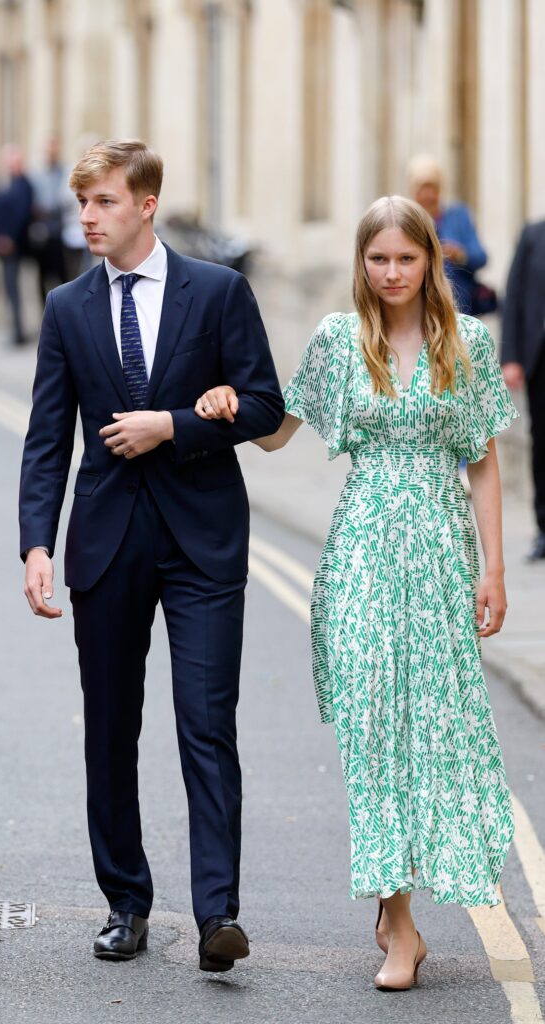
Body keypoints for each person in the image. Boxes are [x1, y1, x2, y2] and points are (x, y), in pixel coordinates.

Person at [195, 196, 518, 991]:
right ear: (360, 264)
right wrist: (229, 403)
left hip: (441, 558)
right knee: (374, 736)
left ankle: (401, 907)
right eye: (377, 258)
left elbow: (480, 460)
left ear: (429, 262)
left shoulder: (465, 343)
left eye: (405, 258)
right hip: (362, 560)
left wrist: (494, 568)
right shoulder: (341, 341)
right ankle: (399, 927)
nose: (391, 272)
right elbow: (280, 430)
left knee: (433, 734)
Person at [19, 139, 284, 969]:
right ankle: (125, 904)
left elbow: (266, 407)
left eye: (101, 202)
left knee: (207, 726)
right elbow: (45, 440)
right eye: (81, 203)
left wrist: (174, 425)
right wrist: (36, 543)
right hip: (104, 544)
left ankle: (217, 917)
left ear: (144, 205)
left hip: (202, 541)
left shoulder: (218, 292)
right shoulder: (66, 307)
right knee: (110, 730)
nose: (86, 218)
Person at [501, 220, 545, 560]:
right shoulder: (532, 236)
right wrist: (511, 357)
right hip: (539, 360)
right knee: (542, 444)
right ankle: (544, 529)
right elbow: (513, 297)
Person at [407, 154, 487, 316]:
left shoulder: (458, 216)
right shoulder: (406, 221)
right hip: (418, 308)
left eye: (432, 189)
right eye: (422, 189)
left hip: (459, 306)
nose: (427, 195)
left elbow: (481, 257)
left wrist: (460, 254)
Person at [0, 144, 33, 345]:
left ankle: (18, 333)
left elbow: (21, 215)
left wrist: (9, 238)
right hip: (0, 244)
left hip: (14, 246)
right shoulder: (5, 184)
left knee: (14, 290)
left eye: (14, 159)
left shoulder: (24, 184)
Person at [30, 137, 67, 302]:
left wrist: (51, 208)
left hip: (60, 234)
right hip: (42, 235)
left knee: (63, 276)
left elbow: (64, 200)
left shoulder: (64, 172)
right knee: (42, 277)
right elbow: (34, 202)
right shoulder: (36, 175)